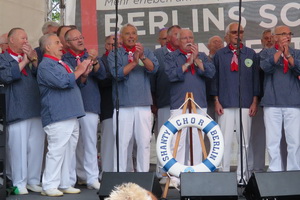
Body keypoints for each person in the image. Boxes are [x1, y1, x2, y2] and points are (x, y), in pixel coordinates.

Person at [38, 33, 92, 196]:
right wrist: (80, 69)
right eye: (57, 43)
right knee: (57, 150)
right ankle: (49, 186)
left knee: (69, 150)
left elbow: (72, 81)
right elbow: (62, 82)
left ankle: (64, 182)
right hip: (58, 114)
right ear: (48, 47)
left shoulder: (61, 63)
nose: (61, 45)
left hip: (71, 113)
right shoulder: (46, 65)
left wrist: (83, 74)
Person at [164, 28, 215, 186]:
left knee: (197, 140)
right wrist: (188, 63)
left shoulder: (203, 56)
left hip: (199, 103)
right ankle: (176, 176)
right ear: (178, 41)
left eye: (191, 37)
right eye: (184, 38)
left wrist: (197, 60)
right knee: (178, 141)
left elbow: (211, 73)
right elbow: (171, 75)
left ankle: (196, 172)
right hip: (180, 103)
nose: (188, 40)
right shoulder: (171, 56)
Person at [211, 22, 260, 184]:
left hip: (245, 104)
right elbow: (215, 80)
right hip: (224, 104)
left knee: (244, 142)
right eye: (234, 32)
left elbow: (255, 80)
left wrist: (254, 101)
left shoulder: (250, 54)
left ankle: (241, 176)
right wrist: (216, 100)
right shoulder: (220, 55)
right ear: (228, 35)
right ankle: (224, 175)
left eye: (240, 32)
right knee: (223, 141)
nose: (237, 35)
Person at [108, 23, 159, 172]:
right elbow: (116, 74)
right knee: (122, 143)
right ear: (121, 37)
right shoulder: (115, 54)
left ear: (137, 36)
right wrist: (134, 63)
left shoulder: (146, 52)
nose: (131, 36)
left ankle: (143, 175)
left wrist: (142, 56)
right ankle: (120, 176)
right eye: (127, 34)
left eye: (133, 33)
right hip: (123, 105)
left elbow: (154, 69)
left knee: (144, 142)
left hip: (143, 104)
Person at [0, 27, 44, 194]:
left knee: (36, 147)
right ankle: (19, 182)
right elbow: (6, 76)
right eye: (22, 38)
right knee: (18, 148)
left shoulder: (32, 57)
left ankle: (33, 179)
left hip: (35, 108)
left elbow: (41, 75)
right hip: (17, 109)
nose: (26, 41)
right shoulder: (3, 58)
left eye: (27, 38)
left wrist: (33, 61)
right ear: (11, 40)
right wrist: (25, 61)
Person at [62, 28, 106, 190]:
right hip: (71, 106)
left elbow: (103, 76)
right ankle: (70, 178)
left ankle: (92, 177)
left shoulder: (92, 56)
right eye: (75, 39)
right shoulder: (64, 59)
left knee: (90, 143)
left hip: (89, 104)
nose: (80, 40)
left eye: (81, 37)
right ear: (67, 43)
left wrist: (94, 62)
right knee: (71, 144)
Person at [260, 25, 300, 172]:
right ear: (275, 37)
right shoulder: (266, 53)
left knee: (294, 140)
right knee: (272, 140)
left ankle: (294, 172)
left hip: (293, 102)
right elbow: (265, 67)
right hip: (272, 102)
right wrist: (279, 52)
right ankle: (274, 170)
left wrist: (288, 55)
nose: (287, 36)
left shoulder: (296, 53)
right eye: (283, 34)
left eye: (289, 34)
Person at [151, 25, 181, 183]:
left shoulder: (184, 53)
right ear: (168, 38)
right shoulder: (157, 54)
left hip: (182, 104)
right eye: (176, 35)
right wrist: (153, 102)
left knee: (179, 140)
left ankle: (178, 171)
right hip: (163, 103)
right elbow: (152, 81)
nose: (180, 37)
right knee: (164, 138)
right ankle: (163, 172)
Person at [248, 29, 274, 174]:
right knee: (257, 137)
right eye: (266, 38)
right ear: (261, 41)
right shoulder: (255, 58)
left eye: (271, 38)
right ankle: (257, 169)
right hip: (259, 102)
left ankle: (282, 169)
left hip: (277, 103)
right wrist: (254, 100)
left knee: (279, 138)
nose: (269, 40)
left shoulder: (283, 57)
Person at [99, 34, 122, 175]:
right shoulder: (101, 61)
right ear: (107, 46)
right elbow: (102, 81)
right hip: (108, 106)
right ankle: (106, 172)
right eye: (113, 44)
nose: (116, 47)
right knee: (108, 141)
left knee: (125, 141)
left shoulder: (126, 59)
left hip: (125, 105)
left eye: (119, 44)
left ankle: (123, 171)